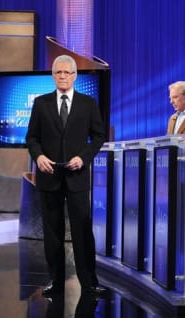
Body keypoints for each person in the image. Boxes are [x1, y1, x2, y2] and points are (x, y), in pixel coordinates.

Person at [26, 54, 106, 297]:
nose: (62, 76)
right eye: (58, 72)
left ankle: (89, 281)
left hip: (77, 176)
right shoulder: (41, 103)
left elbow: (99, 136)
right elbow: (32, 137)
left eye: (67, 72)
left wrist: (83, 157)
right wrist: (38, 157)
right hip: (49, 177)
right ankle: (55, 280)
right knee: (52, 232)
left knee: (82, 230)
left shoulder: (88, 103)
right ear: (53, 76)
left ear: (74, 76)